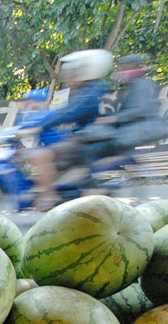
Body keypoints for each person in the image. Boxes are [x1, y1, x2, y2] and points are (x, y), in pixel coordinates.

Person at [16, 49, 113, 209]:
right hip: (84, 138)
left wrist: (37, 128)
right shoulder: (91, 89)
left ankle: (49, 197)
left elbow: (67, 114)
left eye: (75, 70)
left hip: (84, 141)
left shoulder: (89, 93)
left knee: (41, 155)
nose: (71, 74)